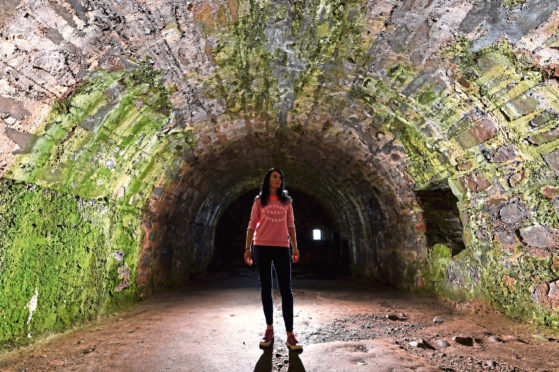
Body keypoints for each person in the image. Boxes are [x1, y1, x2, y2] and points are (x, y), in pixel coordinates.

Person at [244, 168, 303, 351]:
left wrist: (295, 246)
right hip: (261, 246)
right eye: (275, 176)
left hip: (282, 248)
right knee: (266, 288)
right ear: (268, 179)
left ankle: (290, 334)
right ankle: (269, 329)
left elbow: (290, 224)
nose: (278, 179)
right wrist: (247, 248)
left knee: (286, 290)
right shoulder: (259, 200)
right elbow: (252, 225)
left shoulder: (287, 202)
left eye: (280, 177)